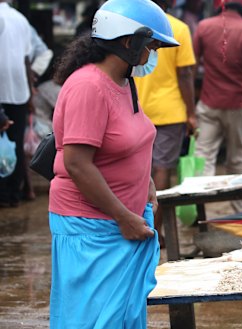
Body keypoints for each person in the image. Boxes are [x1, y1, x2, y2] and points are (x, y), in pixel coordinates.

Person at [48, 0, 179, 326]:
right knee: (94, 319)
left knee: (120, 317)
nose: (152, 55)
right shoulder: (88, 87)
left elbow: (128, 140)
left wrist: (144, 180)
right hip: (92, 227)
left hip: (122, 220)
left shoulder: (125, 82)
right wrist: (123, 218)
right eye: (150, 46)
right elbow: (78, 164)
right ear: (128, 41)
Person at [193, 0, 242, 212]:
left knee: (203, 157)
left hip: (208, 102)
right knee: (239, 157)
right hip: (238, 103)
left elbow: (193, 64)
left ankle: (197, 209)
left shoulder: (204, 27)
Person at [135, 0, 196, 248]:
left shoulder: (135, 28)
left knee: (139, 171)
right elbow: (185, 74)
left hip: (137, 109)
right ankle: (154, 229)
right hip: (170, 112)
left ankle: (139, 224)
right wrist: (191, 112)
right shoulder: (179, 28)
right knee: (162, 170)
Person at [0, 0, 32, 208]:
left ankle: (3, 194)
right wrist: (30, 93)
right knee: (16, 143)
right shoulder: (21, 19)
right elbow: (26, 59)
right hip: (20, 90)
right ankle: (13, 194)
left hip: (2, 89)